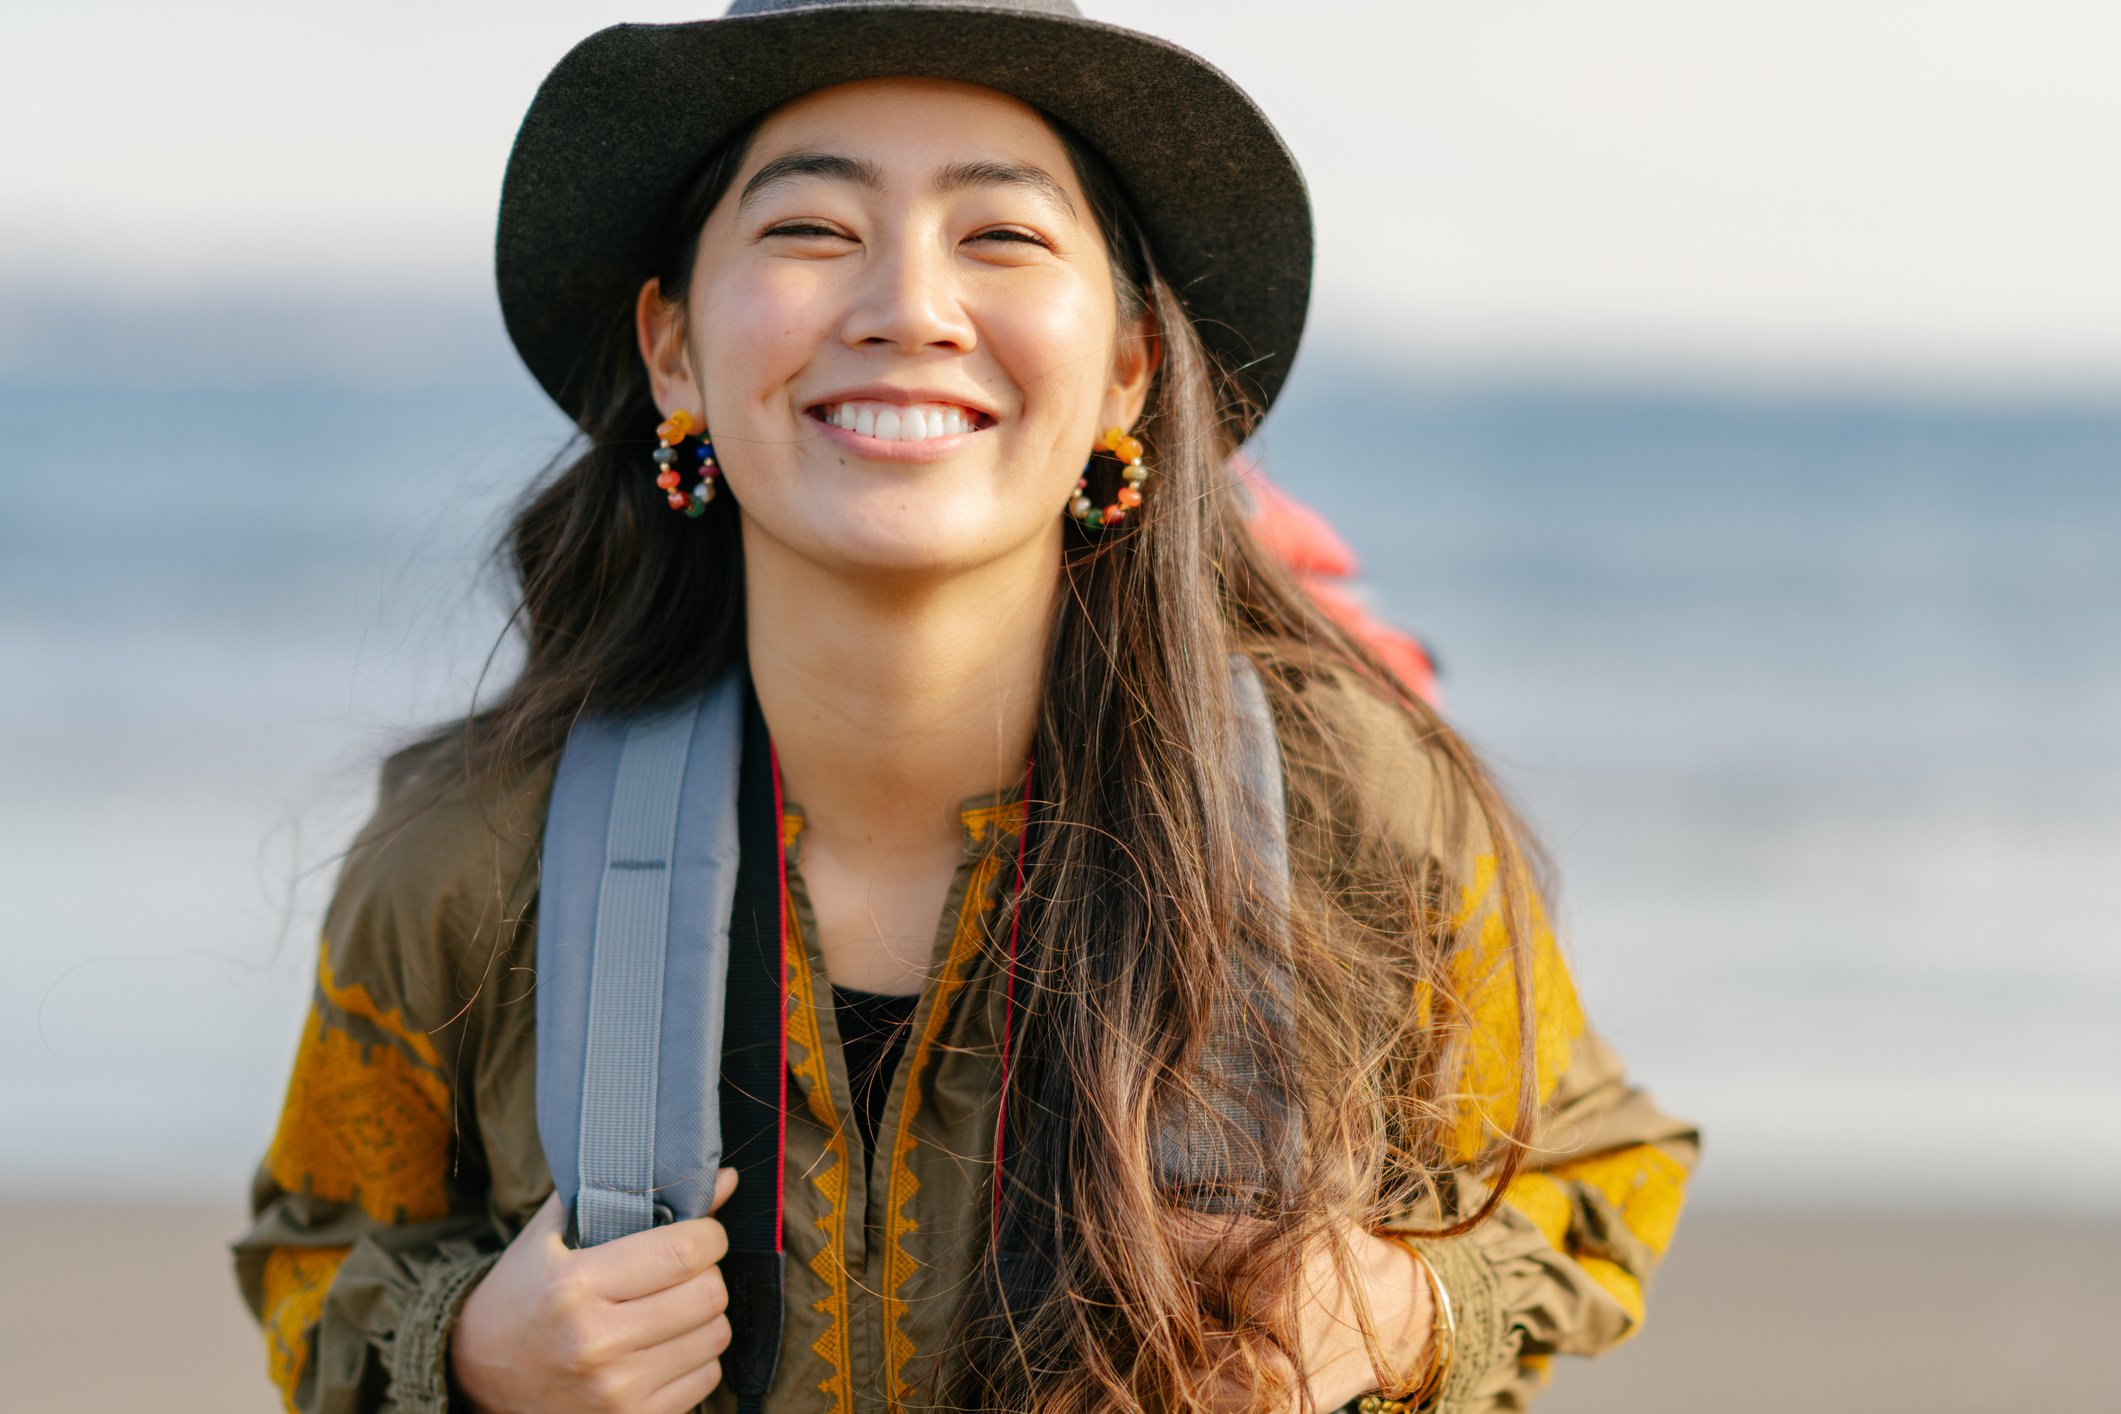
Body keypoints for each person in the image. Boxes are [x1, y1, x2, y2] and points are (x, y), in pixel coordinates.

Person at [230, 3, 1701, 1412]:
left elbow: (1596, 1167)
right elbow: (313, 1250)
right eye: (811, 230)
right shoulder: (474, 854)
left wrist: (1396, 1309)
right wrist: (474, 1354)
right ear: (672, 347)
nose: (909, 309)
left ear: (1128, 367)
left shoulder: (1351, 817)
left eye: (999, 235)